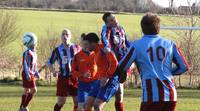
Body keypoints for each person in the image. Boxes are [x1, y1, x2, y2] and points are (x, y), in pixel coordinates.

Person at [118, 13, 189, 111]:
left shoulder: (136, 45)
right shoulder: (170, 44)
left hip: (151, 95)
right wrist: (167, 72)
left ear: (142, 28)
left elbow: (122, 66)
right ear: (158, 28)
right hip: (170, 95)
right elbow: (184, 66)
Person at [101, 12, 131, 111]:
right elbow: (106, 41)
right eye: (111, 20)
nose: (115, 21)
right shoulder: (106, 29)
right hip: (112, 64)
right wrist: (108, 49)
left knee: (120, 94)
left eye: (115, 18)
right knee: (105, 94)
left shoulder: (121, 28)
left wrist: (134, 49)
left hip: (122, 63)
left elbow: (126, 42)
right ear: (107, 23)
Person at [83, 33, 119, 111]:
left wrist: (107, 76)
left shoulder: (104, 48)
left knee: (97, 106)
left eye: (87, 44)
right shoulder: (95, 52)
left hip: (111, 80)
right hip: (100, 81)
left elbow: (114, 62)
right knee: (86, 105)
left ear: (93, 43)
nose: (85, 46)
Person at [47, 29, 81, 111]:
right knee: (61, 102)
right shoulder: (57, 50)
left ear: (70, 36)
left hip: (75, 78)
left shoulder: (77, 48)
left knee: (77, 101)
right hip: (63, 77)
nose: (65, 36)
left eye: (67, 34)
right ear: (61, 37)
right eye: (63, 34)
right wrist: (53, 71)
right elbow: (50, 62)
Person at [71, 34, 99, 111]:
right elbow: (73, 71)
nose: (86, 45)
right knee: (81, 108)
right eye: (84, 43)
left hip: (95, 84)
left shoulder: (97, 54)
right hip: (83, 85)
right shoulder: (77, 56)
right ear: (82, 43)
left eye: (88, 43)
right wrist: (82, 75)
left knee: (93, 106)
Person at [19, 32, 40, 111]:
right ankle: (24, 106)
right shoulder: (27, 53)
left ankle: (22, 107)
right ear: (31, 42)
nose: (36, 44)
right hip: (27, 74)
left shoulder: (34, 53)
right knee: (34, 90)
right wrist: (28, 74)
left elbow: (34, 65)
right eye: (35, 42)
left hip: (30, 74)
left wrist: (36, 73)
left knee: (26, 90)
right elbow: (25, 65)